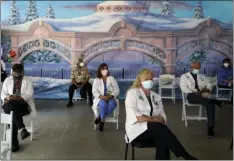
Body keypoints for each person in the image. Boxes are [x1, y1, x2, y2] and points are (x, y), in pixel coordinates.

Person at [125, 68, 197, 160]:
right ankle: (185, 155)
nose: (149, 81)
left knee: (162, 136)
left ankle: (184, 155)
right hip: (136, 131)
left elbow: (162, 116)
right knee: (160, 131)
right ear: (140, 80)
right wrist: (153, 119)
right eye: (146, 79)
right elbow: (136, 117)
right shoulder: (132, 93)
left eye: (151, 79)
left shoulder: (156, 96)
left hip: (154, 130)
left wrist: (155, 119)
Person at [180, 61, 222, 138]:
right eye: (196, 68)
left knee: (209, 104)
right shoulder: (184, 76)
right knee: (205, 100)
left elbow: (209, 83)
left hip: (202, 94)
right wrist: (194, 92)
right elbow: (183, 88)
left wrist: (207, 90)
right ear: (191, 67)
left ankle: (210, 128)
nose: (197, 69)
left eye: (199, 68)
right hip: (191, 95)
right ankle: (213, 100)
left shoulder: (201, 76)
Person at [1, 63, 36, 152]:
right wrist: (8, 97)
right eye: (15, 74)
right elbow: (3, 94)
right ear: (12, 72)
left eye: (19, 74)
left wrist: (20, 97)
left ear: (22, 72)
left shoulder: (28, 80)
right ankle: (21, 129)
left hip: (22, 104)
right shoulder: (7, 80)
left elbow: (29, 94)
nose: (17, 76)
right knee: (12, 106)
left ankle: (14, 142)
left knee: (12, 110)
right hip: (9, 103)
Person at [92, 63, 119, 131]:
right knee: (103, 105)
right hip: (100, 98)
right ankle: (102, 121)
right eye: (103, 69)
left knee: (113, 104)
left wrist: (111, 96)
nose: (105, 70)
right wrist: (101, 97)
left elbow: (117, 89)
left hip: (110, 97)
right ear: (100, 70)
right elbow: (94, 91)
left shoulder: (111, 78)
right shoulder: (96, 80)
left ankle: (100, 118)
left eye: (106, 68)